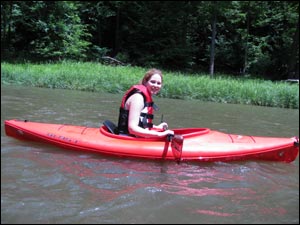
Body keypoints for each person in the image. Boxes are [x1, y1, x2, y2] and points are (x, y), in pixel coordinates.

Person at [117, 68, 174, 138]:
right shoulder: (138, 98)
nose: (156, 85)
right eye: (153, 82)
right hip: (128, 138)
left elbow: (141, 123)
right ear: (145, 82)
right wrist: (159, 134)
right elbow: (132, 129)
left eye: (159, 83)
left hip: (137, 138)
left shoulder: (144, 97)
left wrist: (157, 127)